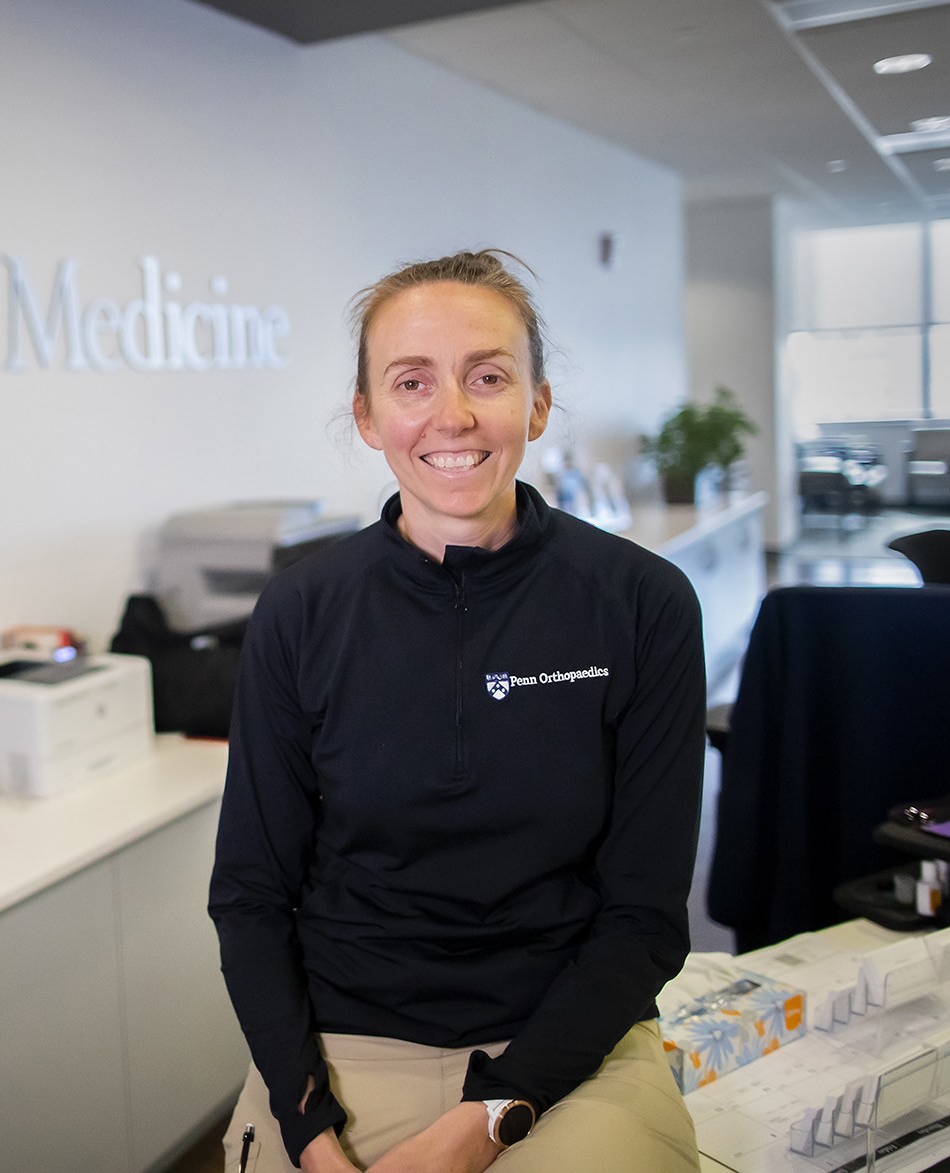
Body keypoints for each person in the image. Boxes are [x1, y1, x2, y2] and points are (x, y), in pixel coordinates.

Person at [209, 251, 704, 1172]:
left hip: (569, 1047)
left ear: (538, 403)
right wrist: (309, 1130)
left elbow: (644, 916)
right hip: (343, 1049)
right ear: (366, 415)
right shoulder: (301, 612)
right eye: (411, 381)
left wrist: (484, 1122)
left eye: (488, 376)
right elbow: (249, 895)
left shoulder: (641, 604)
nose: (454, 415)